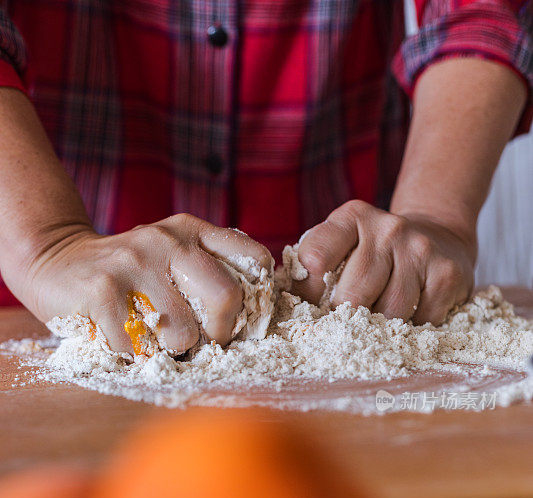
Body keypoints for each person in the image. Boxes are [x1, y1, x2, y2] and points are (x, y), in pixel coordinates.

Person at [0, 1, 531, 355]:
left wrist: (437, 213)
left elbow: (479, 11)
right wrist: (47, 244)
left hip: (350, 295)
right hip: (47, 297)